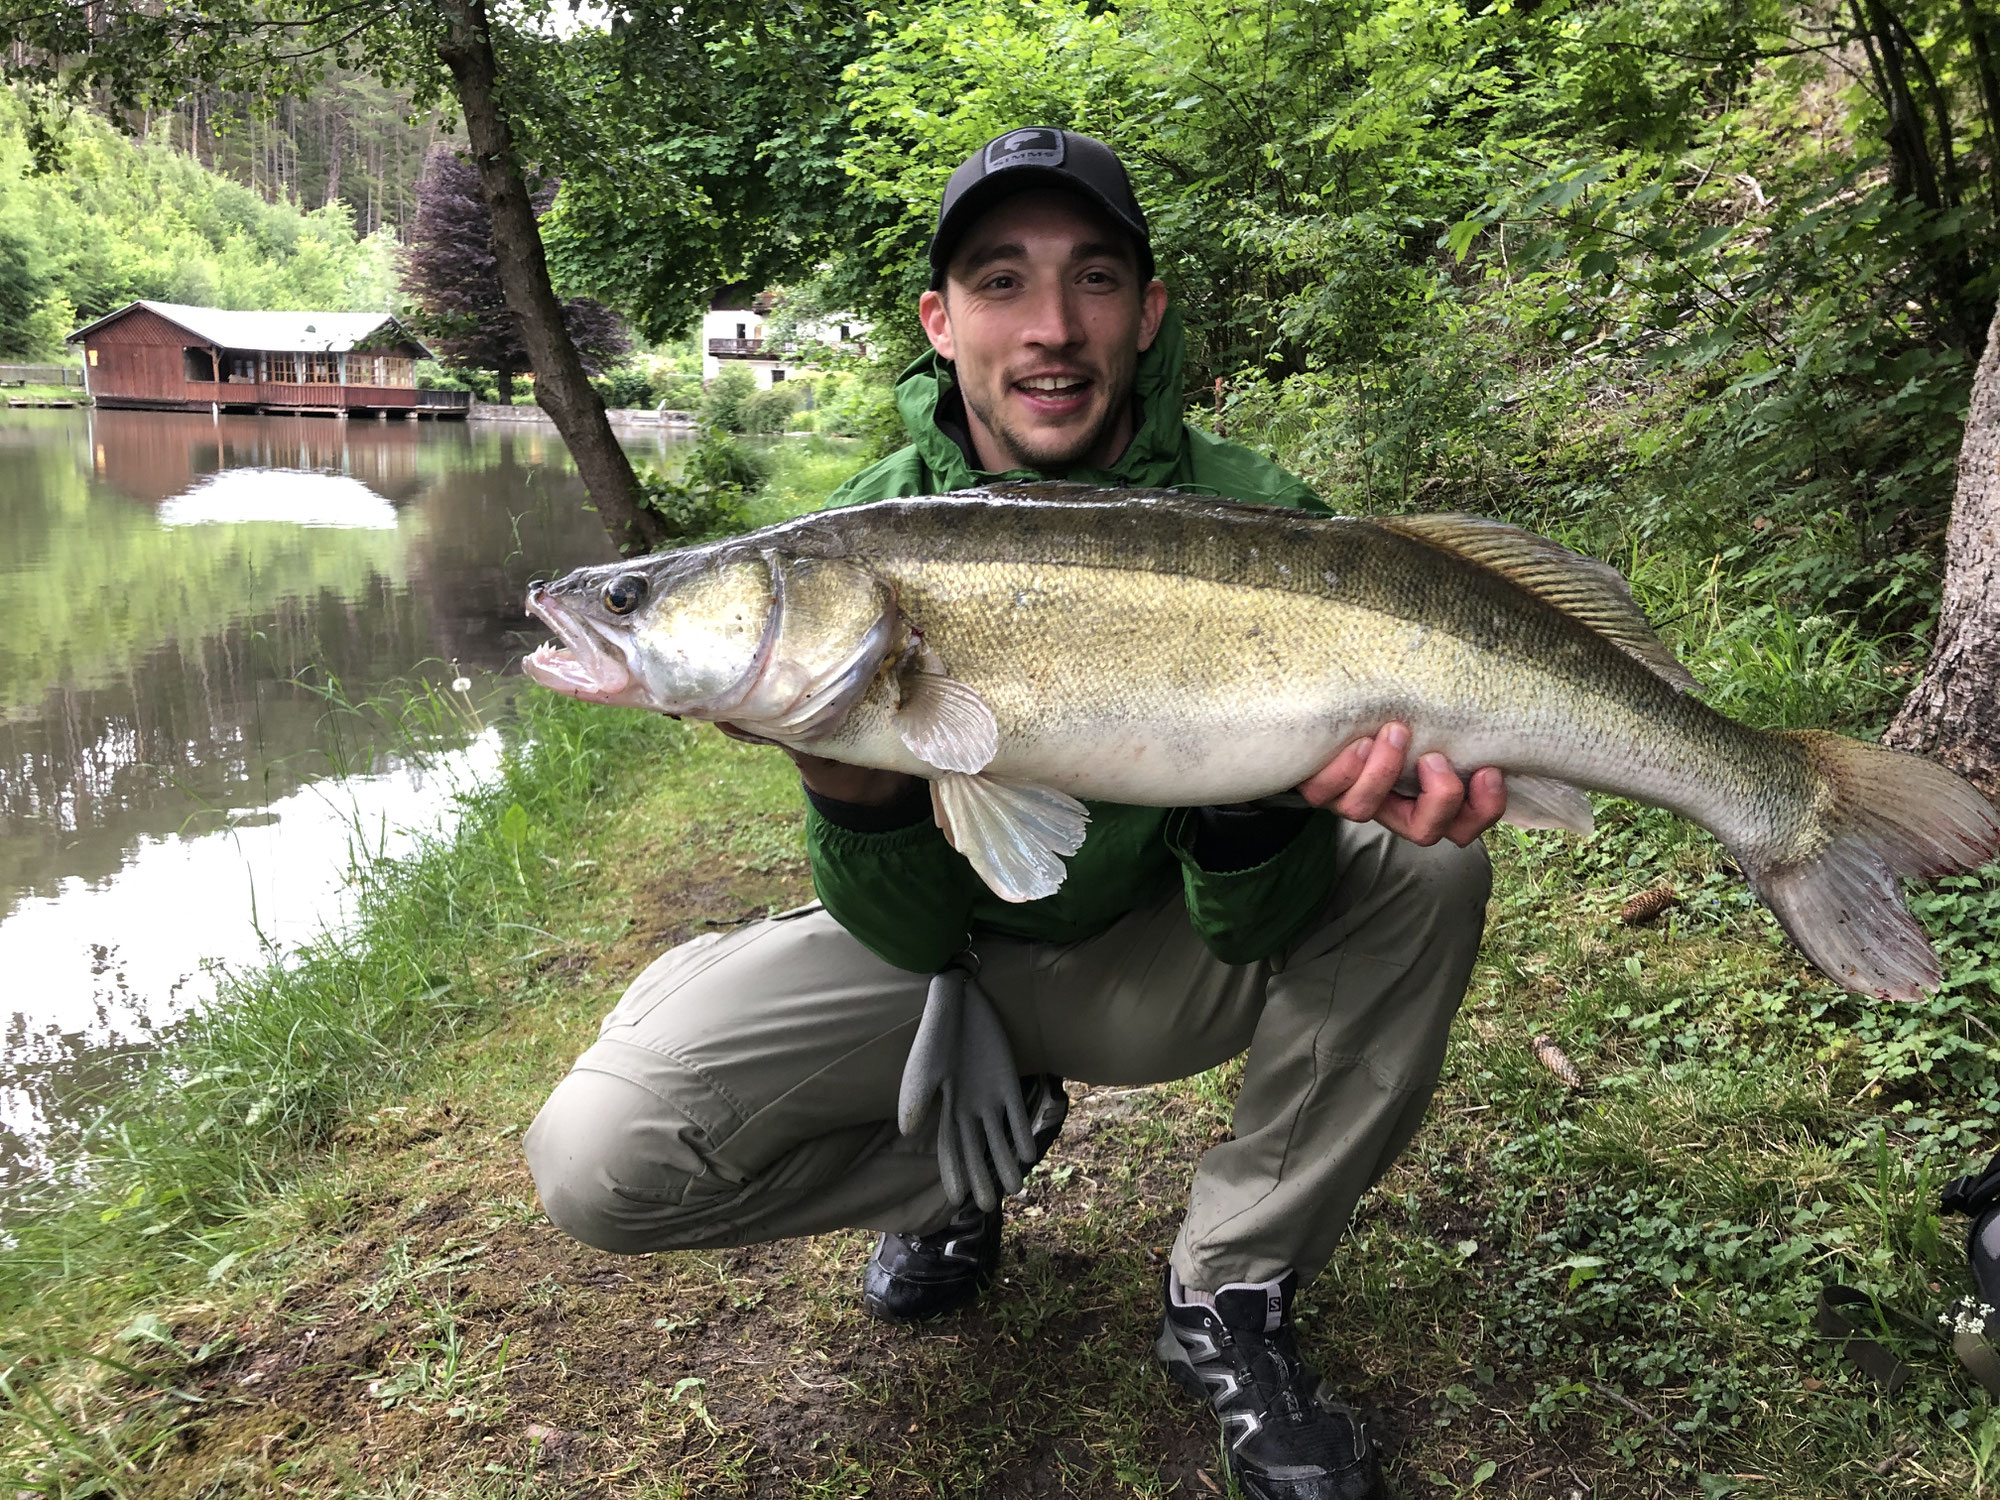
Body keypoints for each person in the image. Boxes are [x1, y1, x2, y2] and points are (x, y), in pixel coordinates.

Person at [525, 127, 1504, 1500]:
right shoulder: (856, 540)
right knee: (598, 1160)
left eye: (1094, 278)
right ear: (941, 319)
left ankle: (1230, 1290)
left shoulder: (1263, 517)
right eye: (1001, 281)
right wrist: (848, 790)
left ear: (1147, 312)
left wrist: (1260, 809)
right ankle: (951, 1179)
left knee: (1426, 871)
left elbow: (1262, 915)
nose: (1052, 328)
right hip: (940, 970)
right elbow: (893, 915)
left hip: (1152, 961)